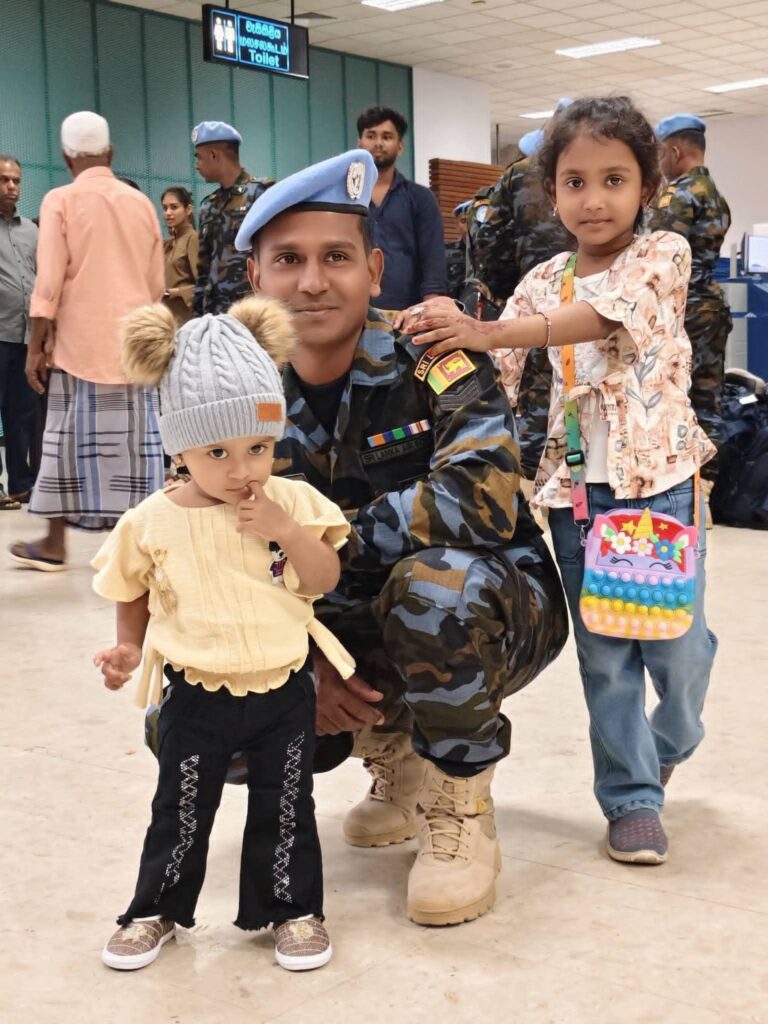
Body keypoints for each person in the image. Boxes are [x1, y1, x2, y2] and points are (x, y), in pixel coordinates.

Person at [234, 149, 568, 926]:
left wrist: (328, 541)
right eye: (288, 260)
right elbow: (204, 546)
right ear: (255, 277)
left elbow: (485, 497)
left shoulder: (434, 357)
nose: (312, 282)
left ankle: (459, 801)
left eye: (336, 257)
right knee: (184, 705)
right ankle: (395, 755)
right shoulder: (233, 392)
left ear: (375, 270)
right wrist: (304, 665)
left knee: (433, 589)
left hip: (487, 608)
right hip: (335, 623)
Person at [399, 97, 718, 866]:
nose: (594, 199)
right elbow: (495, 371)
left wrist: (490, 329)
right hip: (578, 500)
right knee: (607, 658)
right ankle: (632, 798)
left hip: (658, 491)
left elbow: (601, 319)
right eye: (575, 182)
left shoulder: (663, 255)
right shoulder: (542, 279)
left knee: (675, 652)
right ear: (552, 191)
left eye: (614, 179)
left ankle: (673, 738)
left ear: (646, 187)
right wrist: (418, 333)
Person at [93, 296, 354, 973]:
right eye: (218, 452)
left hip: (283, 689)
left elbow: (323, 577)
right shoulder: (151, 521)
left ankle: (294, 911)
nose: (243, 471)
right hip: (195, 692)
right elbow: (132, 587)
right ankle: (154, 910)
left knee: (286, 805)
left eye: (259, 448)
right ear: (178, 446)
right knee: (179, 807)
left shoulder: (292, 502)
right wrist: (128, 647)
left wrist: (286, 530)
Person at [8, 111, 165, 570]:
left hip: (79, 348)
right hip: (134, 349)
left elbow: (49, 282)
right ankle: (136, 552)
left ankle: (54, 544)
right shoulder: (141, 204)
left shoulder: (59, 200)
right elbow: (155, 284)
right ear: (110, 153)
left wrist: (35, 347)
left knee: (63, 442)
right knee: (134, 450)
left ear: (66, 157)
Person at [472, 103, 573, 481]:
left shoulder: (518, 175)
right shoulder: (604, 171)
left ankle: (532, 470)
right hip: (594, 297)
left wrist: (502, 293)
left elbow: (491, 240)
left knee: (535, 389)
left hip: (533, 301)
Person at [649, 114, 731, 488]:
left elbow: (658, 258)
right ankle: (708, 485)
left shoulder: (678, 195)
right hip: (711, 305)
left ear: (674, 151)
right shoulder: (716, 195)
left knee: (674, 396)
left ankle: (680, 482)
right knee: (709, 396)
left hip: (682, 311)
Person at [357, 106, 447, 311]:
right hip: (353, 310)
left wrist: (430, 313)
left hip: (406, 313)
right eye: (371, 136)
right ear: (359, 144)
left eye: (387, 136)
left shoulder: (421, 198)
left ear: (399, 146)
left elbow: (433, 261)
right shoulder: (345, 198)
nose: (378, 143)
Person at [192, 121, 272, 316]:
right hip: (214, 312)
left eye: (199, 158)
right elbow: (203, 267)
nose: (196, 166)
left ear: (214, 155)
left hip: (249, 310)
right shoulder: (208, 205)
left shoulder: (261, 194)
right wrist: (197, 315)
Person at [0, 155, 39, 510]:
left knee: (21, 414)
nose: (12, 187)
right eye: (4, 180)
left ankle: (21, 484)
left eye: (16, 180)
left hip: (26, 336)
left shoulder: (31, 230)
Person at [161, 186, 199, 325]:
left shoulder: (193, 239)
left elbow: (204, 285)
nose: (168, 213)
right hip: (167, 317)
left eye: (174, 207)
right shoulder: (167, 244)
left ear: (188, 209)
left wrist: (174, 292)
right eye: (165, 208)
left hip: (186, 320)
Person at [445, 199, 471, 300]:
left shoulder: (492, 253)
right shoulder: (445, 252)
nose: (468, 226)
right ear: (457, 226)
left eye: (473, 220)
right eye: (464, 221)